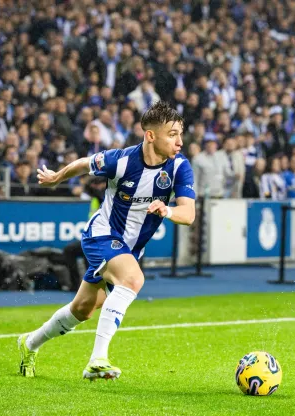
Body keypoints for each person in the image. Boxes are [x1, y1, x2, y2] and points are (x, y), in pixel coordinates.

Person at [17, 101, 196, 380]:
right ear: (150, 135)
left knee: (82, 310)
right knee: (133, 280)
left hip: (129, 249)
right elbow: (84, 164)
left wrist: (168, 210)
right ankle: (97, 360)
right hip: (102, 234)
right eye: (172, 134)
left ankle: (29, 343)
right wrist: (56, 178)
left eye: (180, 134)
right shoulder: (122, 160)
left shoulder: (179, 168)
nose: (180, 141)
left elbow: (189, 214)